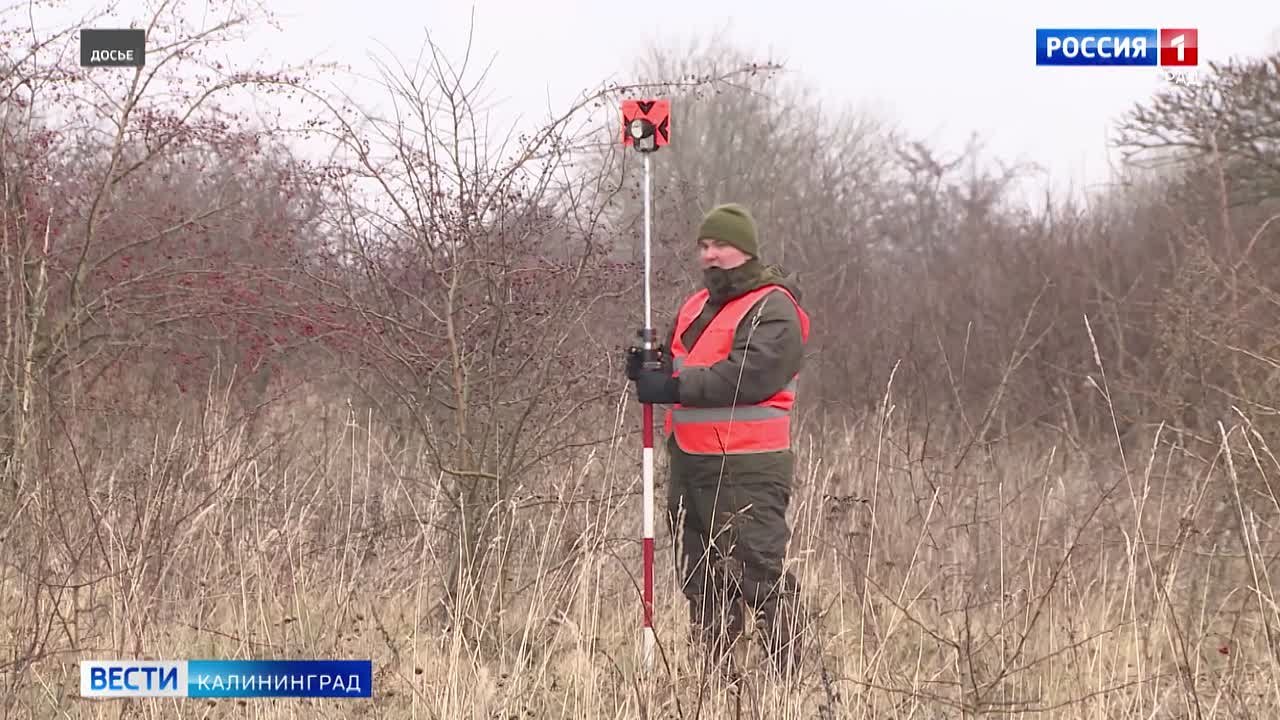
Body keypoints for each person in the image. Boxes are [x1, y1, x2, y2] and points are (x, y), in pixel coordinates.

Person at [627, 202, 811, 677]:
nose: (710, 255)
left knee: (759, 579)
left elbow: (749, 377)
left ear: (745, 250)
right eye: (704, 246)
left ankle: (790, 688)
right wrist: (649, 370)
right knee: (702, 584)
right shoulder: (695, 305)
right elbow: (679, 363)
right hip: (691, 466)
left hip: (746, 467)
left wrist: (673, 387)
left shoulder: (775, 307)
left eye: (721, 245)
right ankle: (717, 685)